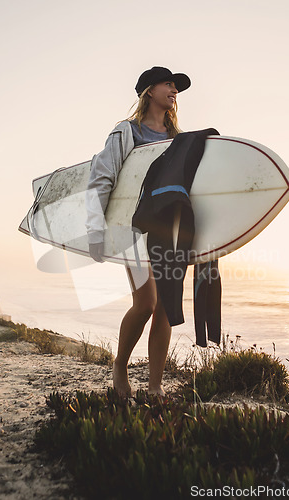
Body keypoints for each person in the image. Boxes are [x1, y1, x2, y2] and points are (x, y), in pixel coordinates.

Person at [85, 66, 191, 397]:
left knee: (165, 309)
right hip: (133, 228)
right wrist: (95, 230)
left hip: (170, 231)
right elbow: (102, 179)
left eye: (177, 87)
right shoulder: (127, 132)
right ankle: (120, 367)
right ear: (149, 90)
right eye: (168, 84)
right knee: (146, 303)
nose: (174, 91)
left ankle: (155, 386)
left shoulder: (179, 140)